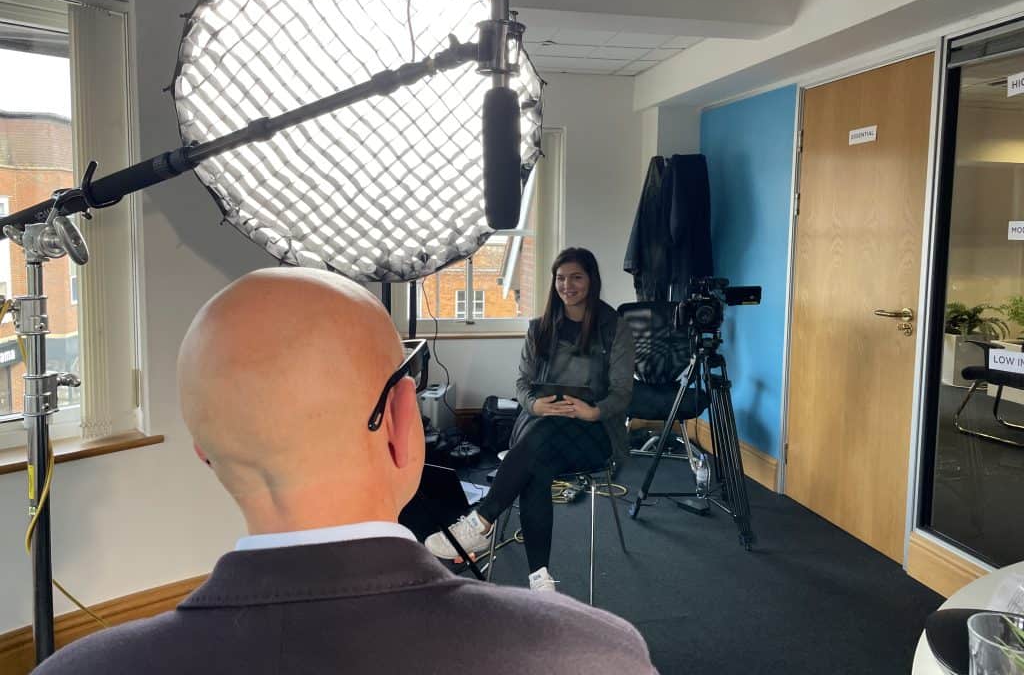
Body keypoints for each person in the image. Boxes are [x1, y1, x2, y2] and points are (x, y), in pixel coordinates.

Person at [34, 267, 656, 675]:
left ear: (205, 454)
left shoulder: (71, 671)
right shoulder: (592, 656)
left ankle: (485, 520)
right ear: (401, 423)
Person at [426, 247, 635, 592]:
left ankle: (481, 521)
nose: (567, 285)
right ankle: (540, 580)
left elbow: (623, 392)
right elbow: (521, 385)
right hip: (541, 425)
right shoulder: (540, 328)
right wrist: (536, 406)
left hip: (594, 432)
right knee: (539, 456)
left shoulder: (615, 329)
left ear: (592, 281)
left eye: (576, 277)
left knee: (537, 452)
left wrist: (592, 410)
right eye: (561, 278)